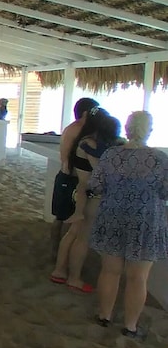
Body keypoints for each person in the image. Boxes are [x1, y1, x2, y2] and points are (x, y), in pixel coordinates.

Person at [90, 111, 168, 339]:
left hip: (112, 216)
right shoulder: (159, 159)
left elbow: (96, 185)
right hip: (145, 221)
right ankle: (131, 326)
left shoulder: (111, 155)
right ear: (149, 130)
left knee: (110, 270)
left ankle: (104, 316)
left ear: (127, 128)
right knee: (138, 277)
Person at [51, 109, 122, 293]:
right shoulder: (89, 144)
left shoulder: (84, 140)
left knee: (74, 233)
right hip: (87, 193)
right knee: (82, 238)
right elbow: (100, 171)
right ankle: (74, 277)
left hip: (80, 190)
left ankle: (60, 270)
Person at [51, 98, 100, 254]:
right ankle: (61, 254)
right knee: (69, 218)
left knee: (60, 217)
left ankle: (55, 252)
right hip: (71, 178)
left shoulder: (71, 127)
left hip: (64, 176)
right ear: (87, 113)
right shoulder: (81, 129)